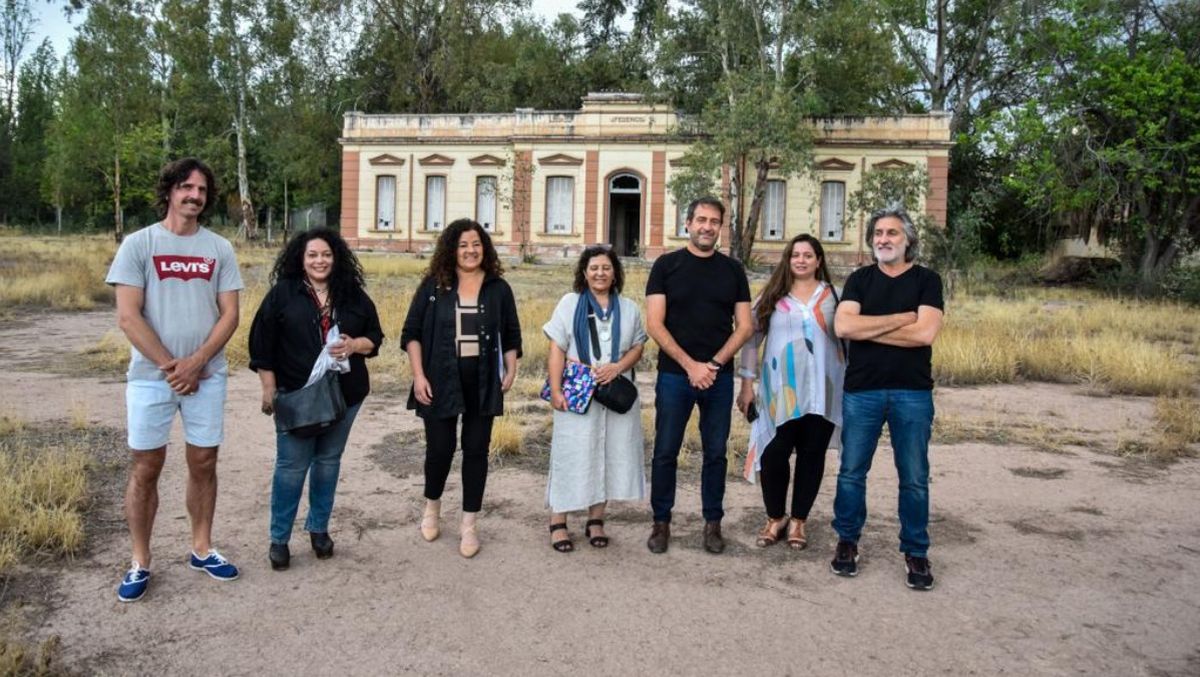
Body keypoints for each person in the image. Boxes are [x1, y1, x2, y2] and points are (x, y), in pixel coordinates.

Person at [105, 158, 243, 602]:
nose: (194, 196)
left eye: (201, 190)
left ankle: (201, 548)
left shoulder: (219, 248)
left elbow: (230, 314)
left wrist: (198, 362)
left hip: (207, 376)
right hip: (151, 378)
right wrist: (172, 366)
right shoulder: (139, 244)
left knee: (204, 461)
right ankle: (140, 560)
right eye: (186, 187)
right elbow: (129, 317)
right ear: (169, 191)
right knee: (146, 467)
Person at [248, 228, 384, 571]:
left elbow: (375, 337)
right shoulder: (283, 294)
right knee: (291, 467)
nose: (319, 261)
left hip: (345, 395)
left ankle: (319, 529)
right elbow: (261, 345)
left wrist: (354, 345)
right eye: (312, 255)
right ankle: (279, 539)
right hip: (296, 395)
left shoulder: (352, 294)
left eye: (326, 254)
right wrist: (268, 388)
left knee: (327, 462)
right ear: (301, 258)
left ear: (336, 258)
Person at [830, 205, 944, 590]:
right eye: (878, 233)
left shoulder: (927, 280)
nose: (884, 239)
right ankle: (847, 541)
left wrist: (868, 329)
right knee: (851, 472)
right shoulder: (859, 279)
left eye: (892, 233)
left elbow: (925, 334)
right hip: (862, 391)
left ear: (908, 239)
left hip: (912, 393)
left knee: (914, 477)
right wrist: (902, 318)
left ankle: (915, 550)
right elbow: (844, 326)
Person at [402, 219, 521, 558]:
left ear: (485, 248)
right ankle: (432, 507)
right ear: (451, 250)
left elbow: (511, 333)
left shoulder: (499, 288)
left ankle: (469, 524)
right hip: (439, 379)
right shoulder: (433, 285)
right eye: (463, 245)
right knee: (440, 449)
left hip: (483, 381)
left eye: (476, 244)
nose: (471, 251)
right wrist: (419, 375)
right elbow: (411, 333)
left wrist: (511, 367)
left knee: (476, 450)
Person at [645, 196, 753, 554]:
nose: (707, 227)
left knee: (716, 453)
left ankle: (712, 524)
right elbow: (654, 324)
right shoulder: (666, 266)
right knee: (665, 451)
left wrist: (714, 365)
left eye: (714, 221)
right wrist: (691, 366)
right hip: (674, 377)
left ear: (721, 228)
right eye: (701, 220)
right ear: (688, 223)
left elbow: (745, 326)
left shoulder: (733, 270)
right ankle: (661, 523)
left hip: (718, 379)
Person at [737, 234, 845, 551]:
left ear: (818, 260)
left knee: (812, 455)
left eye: (808, 255)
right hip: (779, 393)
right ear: (788, 259)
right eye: (795, 254)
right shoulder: (772, 295)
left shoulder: (834, 297)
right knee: (774, 453)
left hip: (823, 392)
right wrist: (746, 384)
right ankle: (775, 517)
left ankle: (799, 520)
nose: (801, 260)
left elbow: (849, 341)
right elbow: (750, 339)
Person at [543, 246, 647, 552]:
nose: (600, 273)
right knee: (570, 454)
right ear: (584, 273)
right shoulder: (569, 303)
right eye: (594, 268)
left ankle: (596, 520)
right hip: (578, 392)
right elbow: (557, 348)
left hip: (615, 391)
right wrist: (556, 390)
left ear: (615, 273)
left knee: (609, 454)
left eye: (606, 268)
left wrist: (618, 367)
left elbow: (638, 346)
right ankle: (558, 521)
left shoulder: (629, 308)